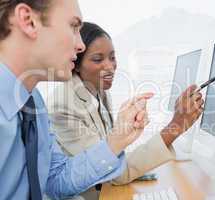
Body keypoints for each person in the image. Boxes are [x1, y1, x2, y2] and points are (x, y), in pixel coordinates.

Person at [0, 1, 153, 199]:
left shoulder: (33, 103)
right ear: (28, 21)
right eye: (73, 27)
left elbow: (54, 180)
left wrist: (117, 140)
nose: (81, 45)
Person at [48, 22, 205, 199]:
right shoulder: (63, 106)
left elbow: (111, 153)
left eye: (112, 57)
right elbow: (113, 172)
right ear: (76, 63)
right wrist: (176, 126)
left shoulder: (98, 91)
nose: (110, 67)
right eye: (98, 59)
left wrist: (126, 133)